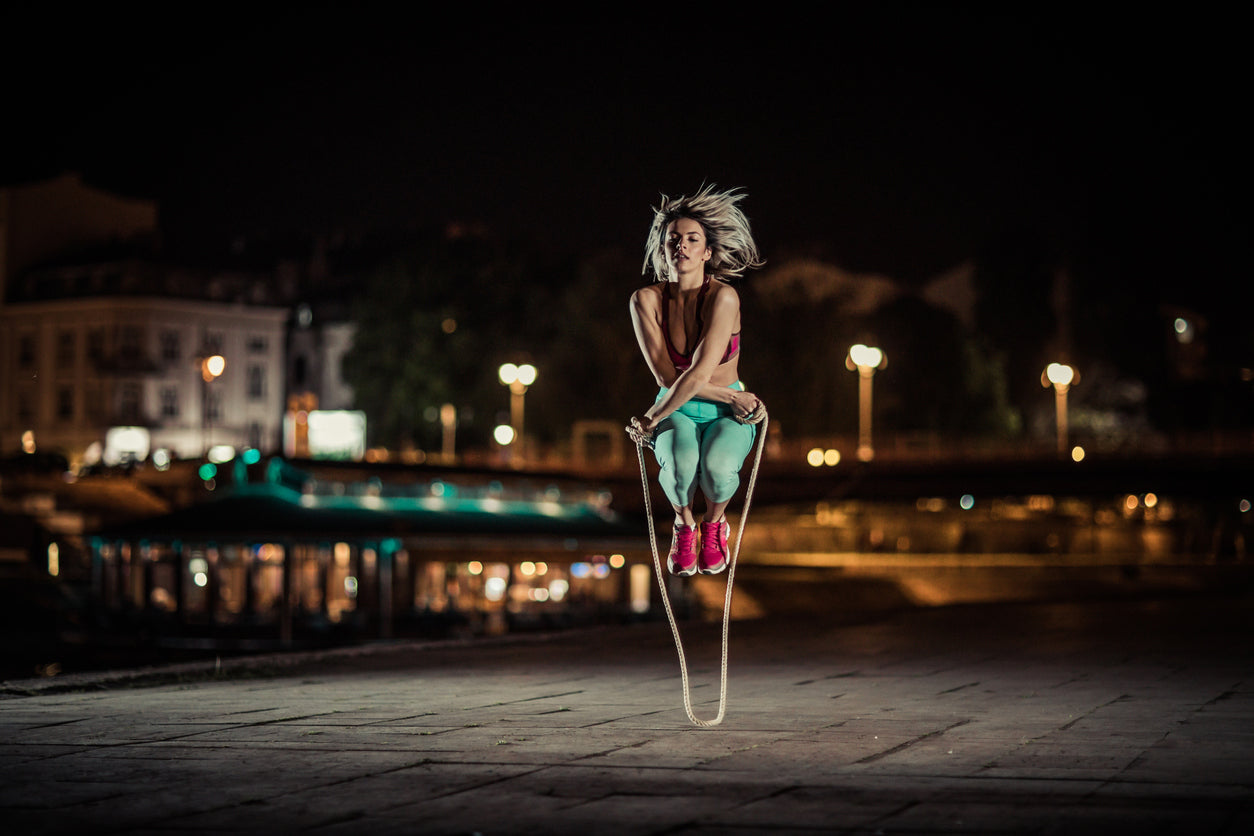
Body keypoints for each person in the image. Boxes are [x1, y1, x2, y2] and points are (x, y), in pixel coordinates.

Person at [627, 185, 765, 577]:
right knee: (680, 467)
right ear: (663, 249)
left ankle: (715, 524)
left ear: (707, 252)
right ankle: (684, 524)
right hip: (678, 406)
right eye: (674, 239)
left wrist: (653, 416)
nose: (682, 246)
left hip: (725, 411)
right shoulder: (645, 300)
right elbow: (665, 376)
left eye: (692, 239)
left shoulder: (724, 298)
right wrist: (661, 415)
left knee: (718, 470)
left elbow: (699, 371)